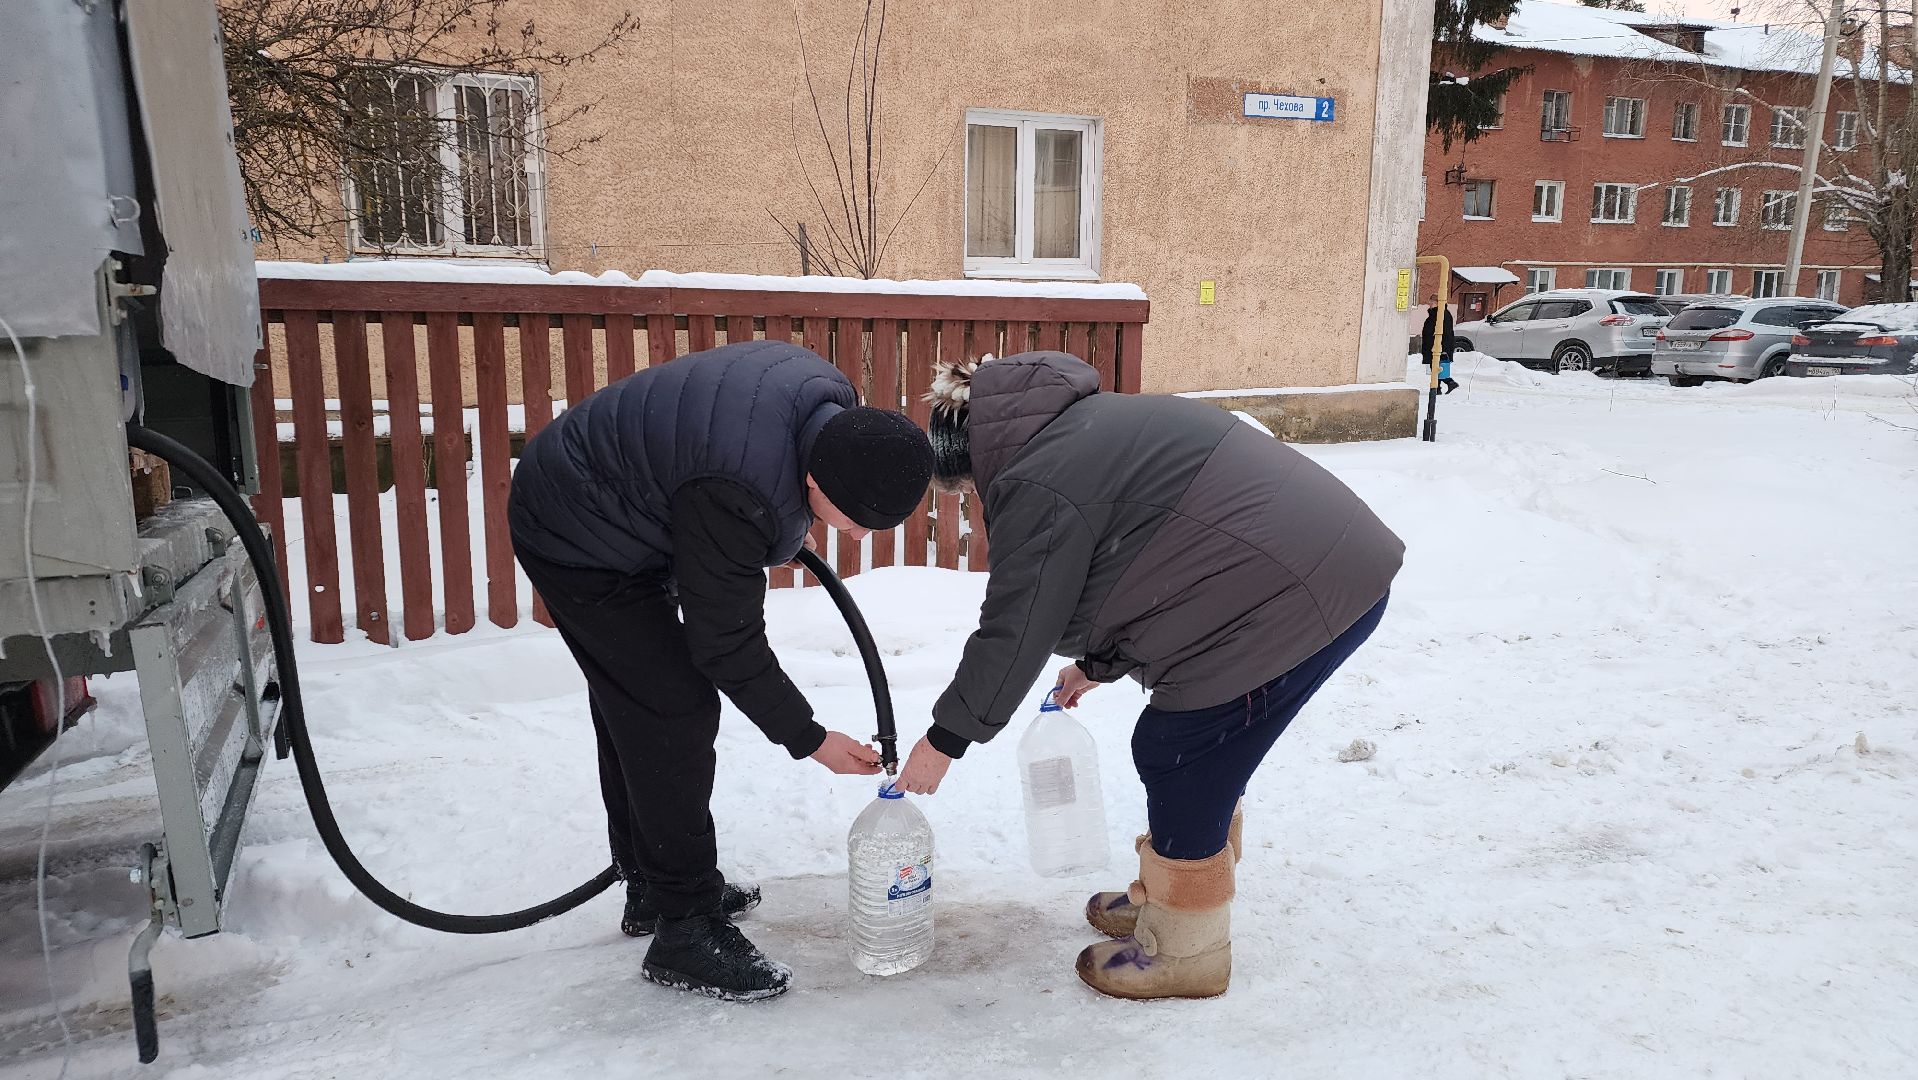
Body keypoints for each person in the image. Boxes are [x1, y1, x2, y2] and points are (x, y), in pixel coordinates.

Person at [897, 351, 1402, 1000]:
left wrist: (944, 741)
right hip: (1316, 568)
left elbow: (1016, 627)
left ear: (967, 457)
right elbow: (1137, 563)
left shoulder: (1038, 476)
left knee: (1186, 749)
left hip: (1298, 592)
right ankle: (1170, 897)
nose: (972, 497)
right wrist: (1096, 664)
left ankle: (1188, 947)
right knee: (1199, 746)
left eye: (964, 487)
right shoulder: (1075, 430)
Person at [509, 339, 933, 1002]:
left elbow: (745, 490)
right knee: (671, 706)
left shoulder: (829, 409)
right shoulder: (736, 489)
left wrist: (783, 527)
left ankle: (655, 882)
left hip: (628, 491)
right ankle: (683, 925)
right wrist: (811, 739)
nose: (855, 540)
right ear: (817, 481)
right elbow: (727, 646)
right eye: (855, 523)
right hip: (575, 526)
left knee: (642, 695)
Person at [1420, 300, 1460, 393]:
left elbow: (1446, 333)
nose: (1429, 304)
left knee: (1436, 366)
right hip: (1433, 344)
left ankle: (1442, 386)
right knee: (1434, 366)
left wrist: (1444, 348)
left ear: (1438, 302)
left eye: (1432, 302)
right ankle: (1439, 387)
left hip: (1438, 346)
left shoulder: (1442, 314)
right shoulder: (1436, 313)